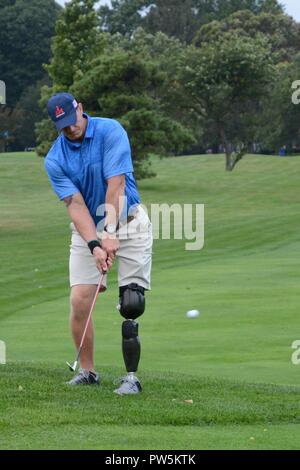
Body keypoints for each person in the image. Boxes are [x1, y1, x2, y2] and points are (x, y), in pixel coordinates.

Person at [45, 92, 153, 395]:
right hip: (88, 230)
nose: (70, 128)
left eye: (71, 120)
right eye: (62, 125)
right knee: (80, 300)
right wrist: (95, 243)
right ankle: (89, 372)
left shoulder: (111, 131)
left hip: (129, 223)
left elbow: (115, 184)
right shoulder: (55, 158)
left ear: (79, 108)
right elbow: (75, 205)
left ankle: (131, 378)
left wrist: (110, 231)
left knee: (131, 302)